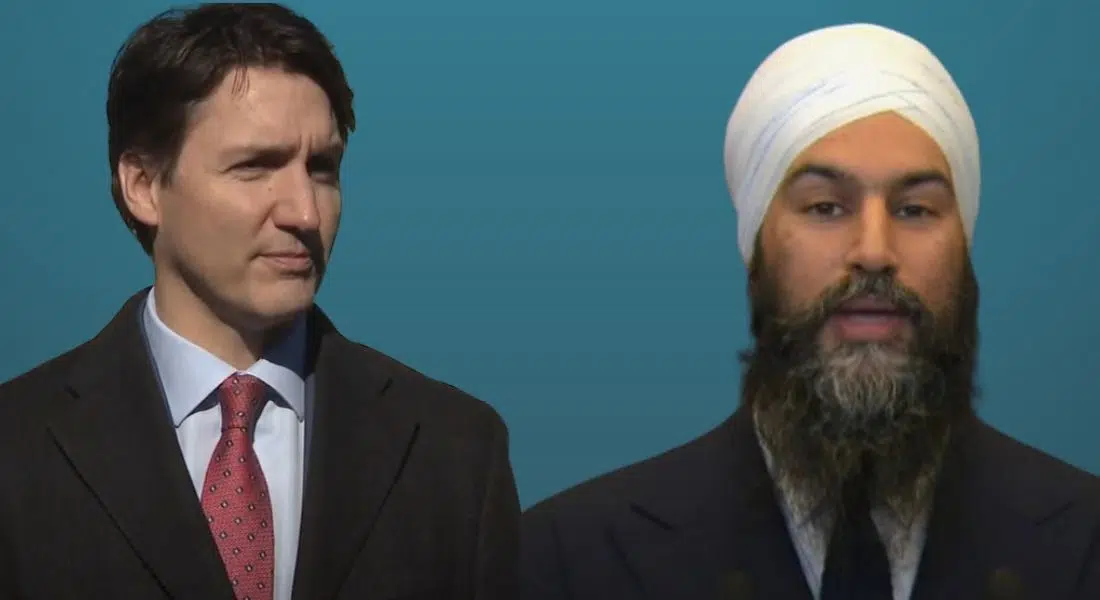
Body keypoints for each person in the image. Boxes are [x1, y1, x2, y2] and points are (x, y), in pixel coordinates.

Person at [521, 23, 1100, 600]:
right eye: (825, 207)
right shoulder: (573, 559)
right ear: (757, 249)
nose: (874, 250)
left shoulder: (1085, 545)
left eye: (915, 210)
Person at [0, 4, 518, 599]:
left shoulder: (454, 452)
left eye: (322, 169)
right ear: (143, 185)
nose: (304, 212)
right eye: (255, 166)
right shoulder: (17, 451)